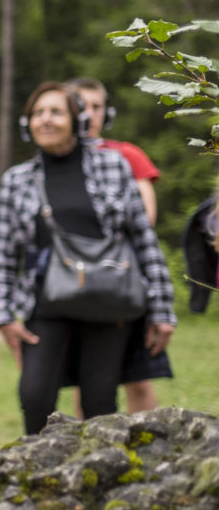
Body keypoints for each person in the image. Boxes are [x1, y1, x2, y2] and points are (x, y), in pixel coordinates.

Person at [0, 82, 176, 435]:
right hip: (46, 302)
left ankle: (99, 477)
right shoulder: (17, 180)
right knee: (35, 395)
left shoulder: (113, 166)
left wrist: (162, 310)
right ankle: (40, 477)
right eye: (37, 113)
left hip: (110, 297)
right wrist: (3, 316)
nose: (45, 120)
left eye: (55, 112)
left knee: (99, 400)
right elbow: (4, 253)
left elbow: (143, 240)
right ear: (28, 125)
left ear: (77, 120)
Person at [66, 77, 171, 414]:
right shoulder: (58, 159)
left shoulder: (128, 154)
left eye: (97, 106)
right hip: (76, 284)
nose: (91, 114)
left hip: (125, 283)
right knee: (87, 378)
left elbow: (146, 219)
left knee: (138, 378)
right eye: (83, 106)